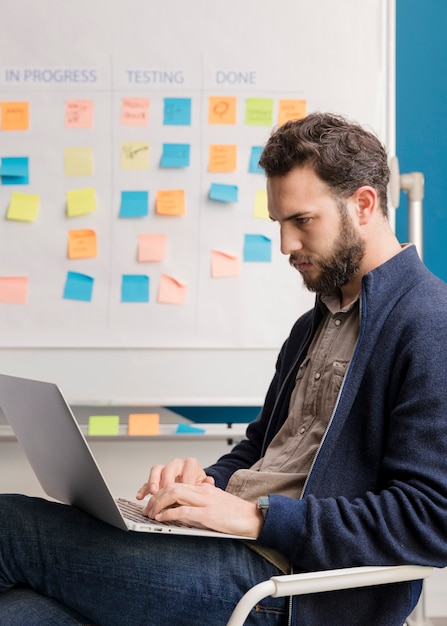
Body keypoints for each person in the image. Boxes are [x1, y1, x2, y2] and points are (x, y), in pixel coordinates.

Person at [1, 112, 447, 626]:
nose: (286, 246)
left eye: (302, 220)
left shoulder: (429, 323)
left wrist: (257, 518)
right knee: (20, 614)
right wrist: (205, 486)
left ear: (364, 204)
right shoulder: (313, 324)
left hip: (287, 588)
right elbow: (260, 452)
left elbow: (430, 520)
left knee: (9, 526)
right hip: (228, 551)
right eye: (279, 224)